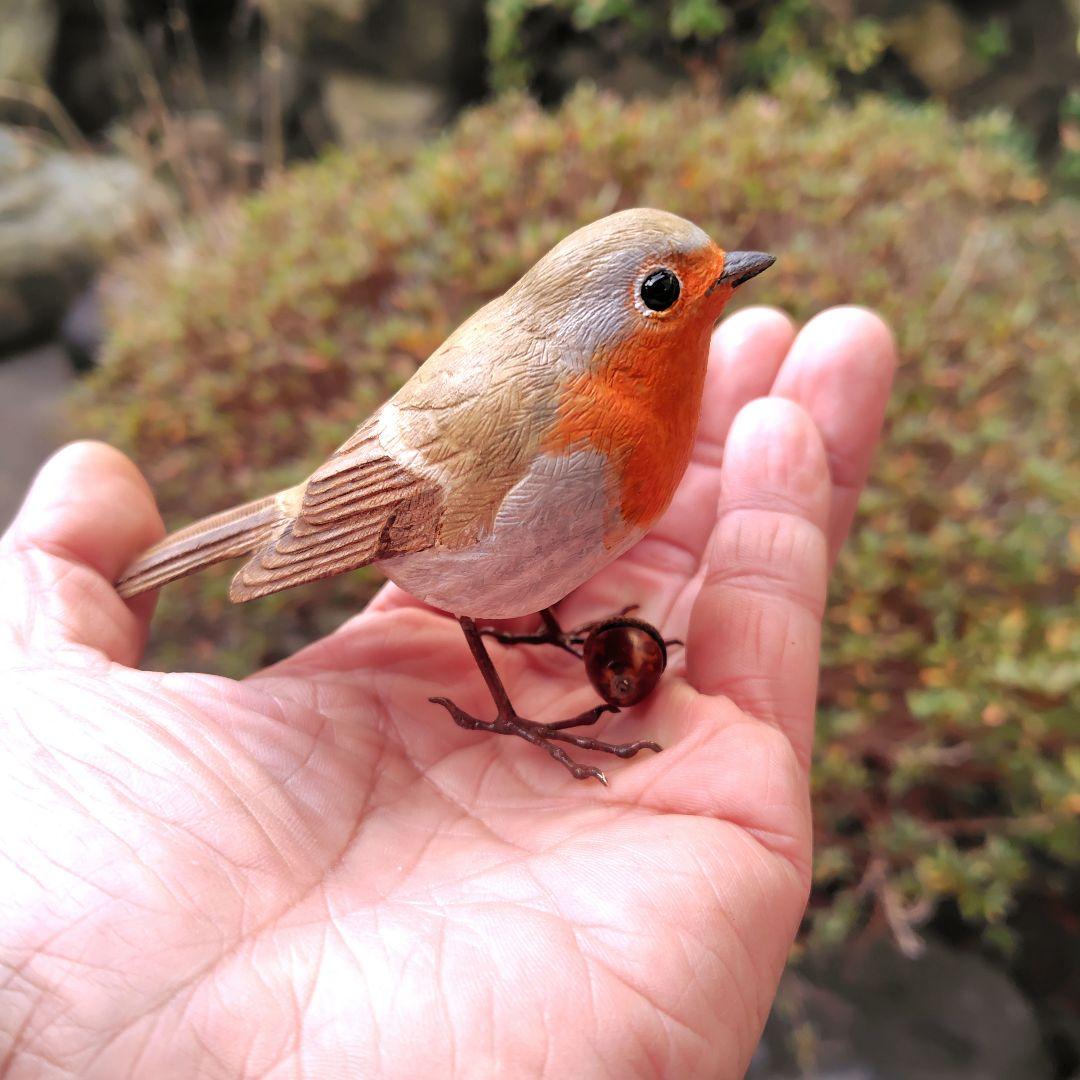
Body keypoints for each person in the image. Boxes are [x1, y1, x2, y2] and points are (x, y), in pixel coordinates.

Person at [0, 305, 895, 1077]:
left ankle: (533, 630)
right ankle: (510, 702)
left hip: (514, 509)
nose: (697, 297)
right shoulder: (564, 413)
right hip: (409, 512)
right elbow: (407, 504)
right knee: (476, 599)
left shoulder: (644, 401)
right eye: (662, 293)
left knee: (513, 590)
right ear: (606, 322)